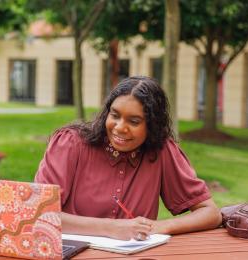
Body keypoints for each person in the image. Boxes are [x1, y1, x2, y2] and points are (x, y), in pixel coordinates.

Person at [35, 76, 221, 241]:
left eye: (134, 121)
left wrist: (156, 227)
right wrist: (112, 228)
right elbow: (39, 214)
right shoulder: (69, 144)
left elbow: (210, 213)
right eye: (114, 115)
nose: (119, 128)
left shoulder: (161, 151)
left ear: (152, 125)